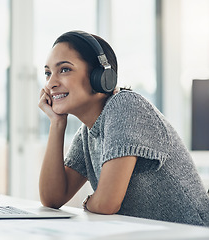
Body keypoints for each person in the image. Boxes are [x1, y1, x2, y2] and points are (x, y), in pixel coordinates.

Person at [38, 30, 209, 226]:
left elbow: (106, 204)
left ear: (100, 76)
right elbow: (52, 198)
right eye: (48, 73)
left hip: (195, 233)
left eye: (65, 70)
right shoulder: (88, 132)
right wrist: (57, 123)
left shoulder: (126, 106)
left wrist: (89, 203)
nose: (50, 83)